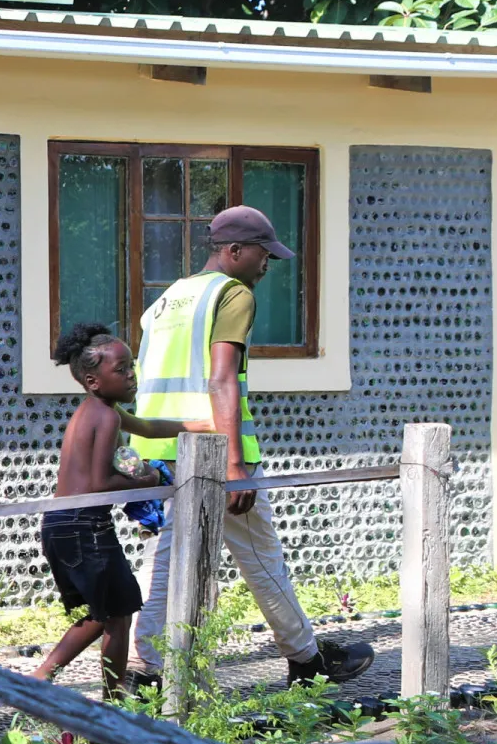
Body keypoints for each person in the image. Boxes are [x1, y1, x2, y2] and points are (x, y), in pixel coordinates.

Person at [130, 206, 374, 685]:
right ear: (234, 251)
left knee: (163, 561)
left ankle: (143, 669)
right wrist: (235, 466)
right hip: (214, 453)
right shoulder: (232, 293)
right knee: (261, 558)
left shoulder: (167, 300)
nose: (268, 265)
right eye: (264, 254)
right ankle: (307, 661)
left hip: (160, 453)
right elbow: (222, 379)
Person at [35, 324, 212, 697]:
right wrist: (147, 480)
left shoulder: (97, 410)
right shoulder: (106, 416)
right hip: (84, 524)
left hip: (62, 523)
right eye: (122, 370)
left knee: (109, 612)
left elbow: (146, 426)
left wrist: (198, 426)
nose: (132, 375)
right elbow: (100, 484)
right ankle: (114, 701)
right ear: (92, 379)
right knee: (119, 613)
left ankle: (41, 678)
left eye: (132, 367)